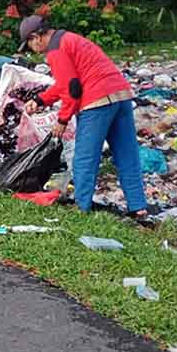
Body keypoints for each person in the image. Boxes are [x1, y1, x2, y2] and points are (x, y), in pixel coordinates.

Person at [18, 15, 151, 219]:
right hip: (121, 95)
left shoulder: (56, 51)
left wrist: (62, 120)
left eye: (29, 44)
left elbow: (72, 89)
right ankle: (138, 207)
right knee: (127, 156)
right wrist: (40, 100)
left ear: (37, 37)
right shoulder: (70, 39)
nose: (32, 49)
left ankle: (82, 207)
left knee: (85, 158)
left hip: (96, 101)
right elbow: (66, 83)